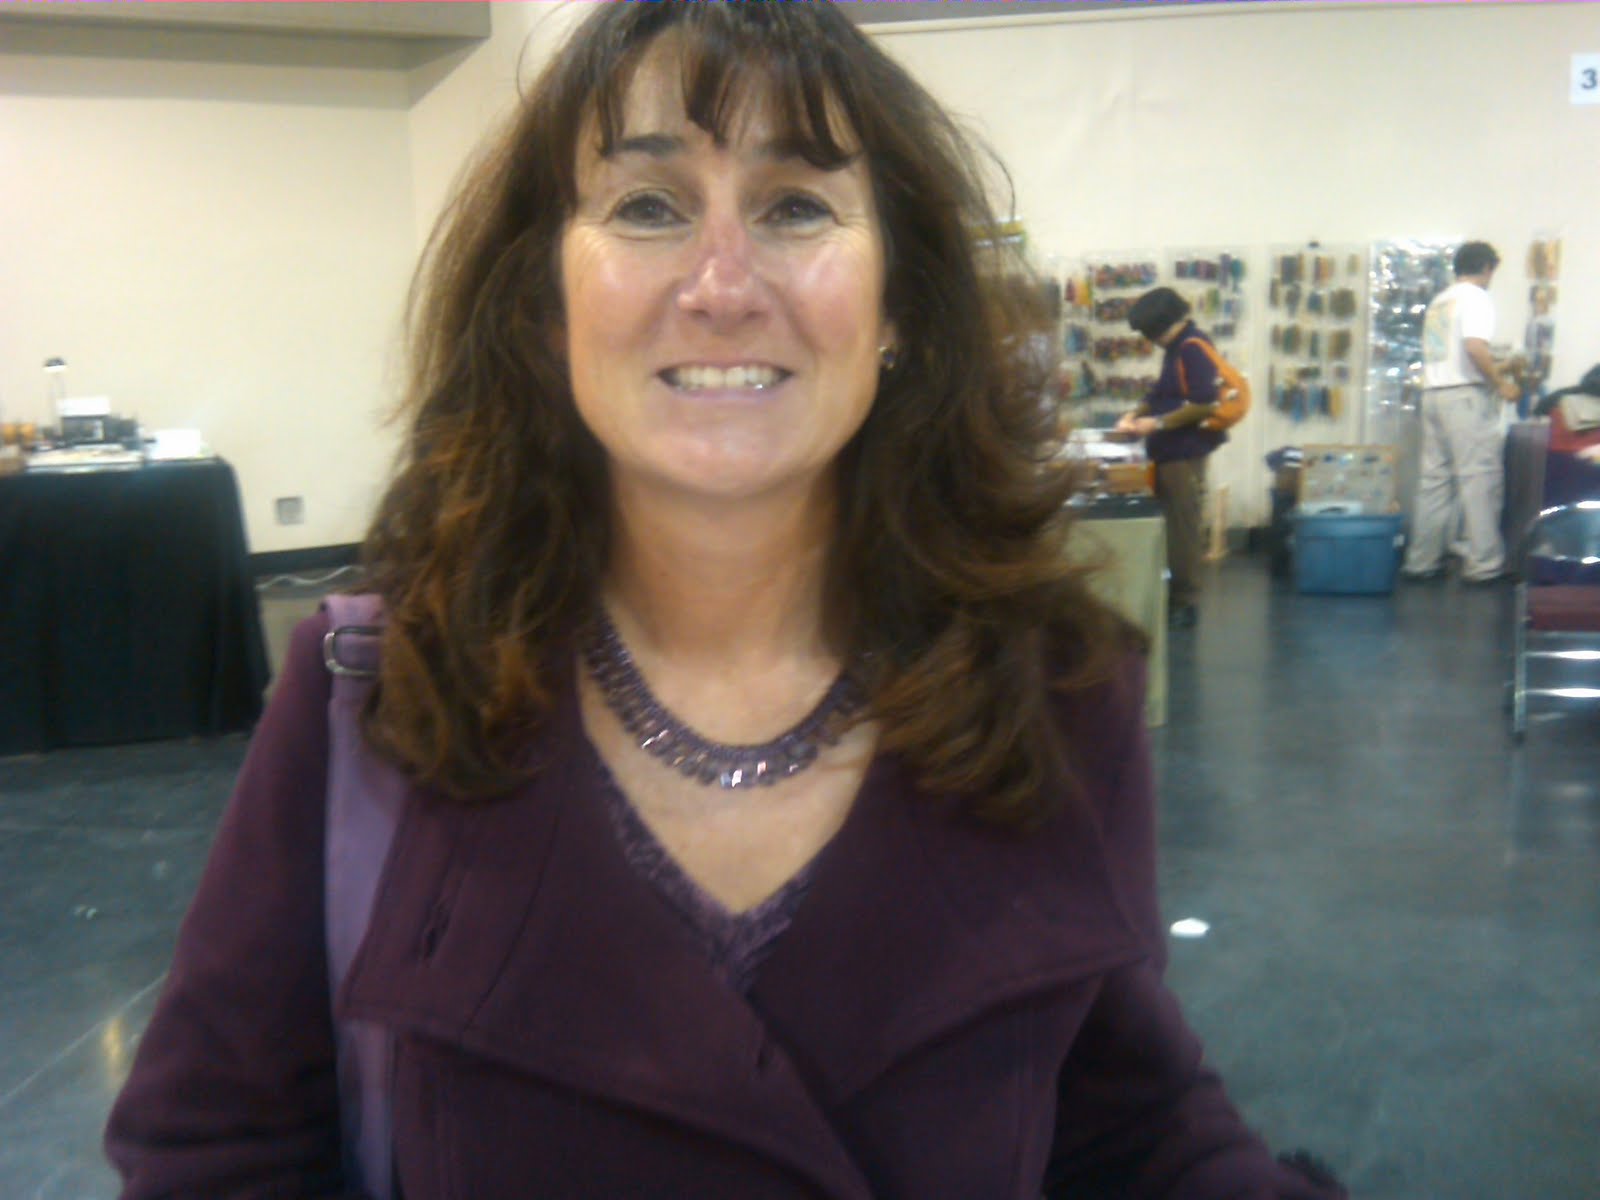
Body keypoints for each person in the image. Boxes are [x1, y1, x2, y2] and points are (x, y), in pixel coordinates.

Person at [105, 4, 1344, 1197]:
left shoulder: (1054, 693)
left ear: (899, 305)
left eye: (795, 205)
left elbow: (1123, 1125)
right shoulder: (376, 699)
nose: (721, 284)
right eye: (647, 206)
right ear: (544, 309)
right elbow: (217, 1153)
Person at [1401, 240, 1521, 583]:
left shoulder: (1441, 301)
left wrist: (1496, 369)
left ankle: (1422, 561)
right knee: (1479, 479)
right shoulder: (1476, 297)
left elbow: (1455, 354)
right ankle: (1484, 565)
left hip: (1433, 395)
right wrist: (1501, 383)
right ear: (1487, 268)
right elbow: (1474, 348)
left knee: (1435, 481)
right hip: (1464, 398)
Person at [1115, 287, 1230, 629]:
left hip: (1184, 452)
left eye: (1150, 333)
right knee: (1174, 525)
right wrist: (1135, 413)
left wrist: (1157, 423)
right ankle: (1175, 594)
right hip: (1169, 450)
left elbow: (1205, 403)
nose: (1150, 341)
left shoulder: (1192, 347)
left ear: (1162, 325)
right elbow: (1162, 393)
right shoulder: (1176, 348)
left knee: (1182, 529)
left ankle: (1184, 601)